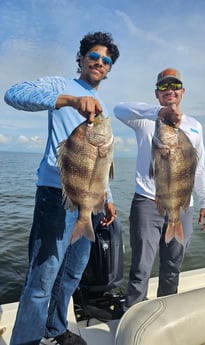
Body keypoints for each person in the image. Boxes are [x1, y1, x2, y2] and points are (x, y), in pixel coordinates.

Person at [4, 31, 119, 345]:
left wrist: (107, 197)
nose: (99, 63)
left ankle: (54, 330)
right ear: (81, 58)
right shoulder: (62, 86)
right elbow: (13, 94)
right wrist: (69, 100)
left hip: (91, 200)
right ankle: (26, 340)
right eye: (93, 56)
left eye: (105, 60)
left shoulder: (102, 103)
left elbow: (101, 159)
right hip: (56, 194)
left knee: (71, 274)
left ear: (109, 69)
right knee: (41, 280)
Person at [114, 67, 205, 309]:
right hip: (147, 202)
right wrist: (159, 112)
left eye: (175, 86)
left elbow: (199, 167)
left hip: (182, 203)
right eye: (163, 87)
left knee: (172, 267)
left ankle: (165, 313)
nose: (170, 90)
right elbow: (118, 109)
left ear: (183, 92)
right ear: (157, 93)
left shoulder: (195, 126)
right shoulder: (145, 120)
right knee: (141, 266)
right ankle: (132, 315)